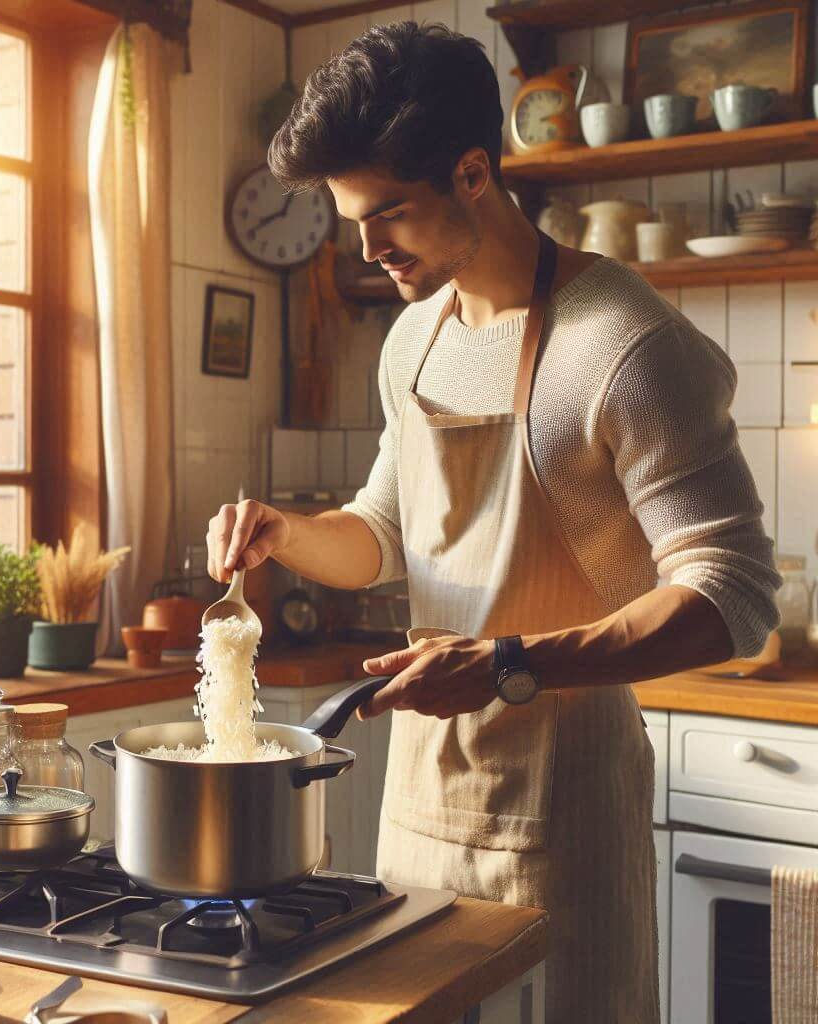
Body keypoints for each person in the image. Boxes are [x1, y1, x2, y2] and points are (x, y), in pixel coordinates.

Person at [205, 21, 780, 1022]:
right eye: (351, 220)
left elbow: (734, 598)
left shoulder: (626, 343)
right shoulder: (412, 338)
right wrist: (289, 535)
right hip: (421, 798)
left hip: (567, 807)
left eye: (387, 214)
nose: (366, 248)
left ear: (474, 172)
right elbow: (381, 532)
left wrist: (509, 662)